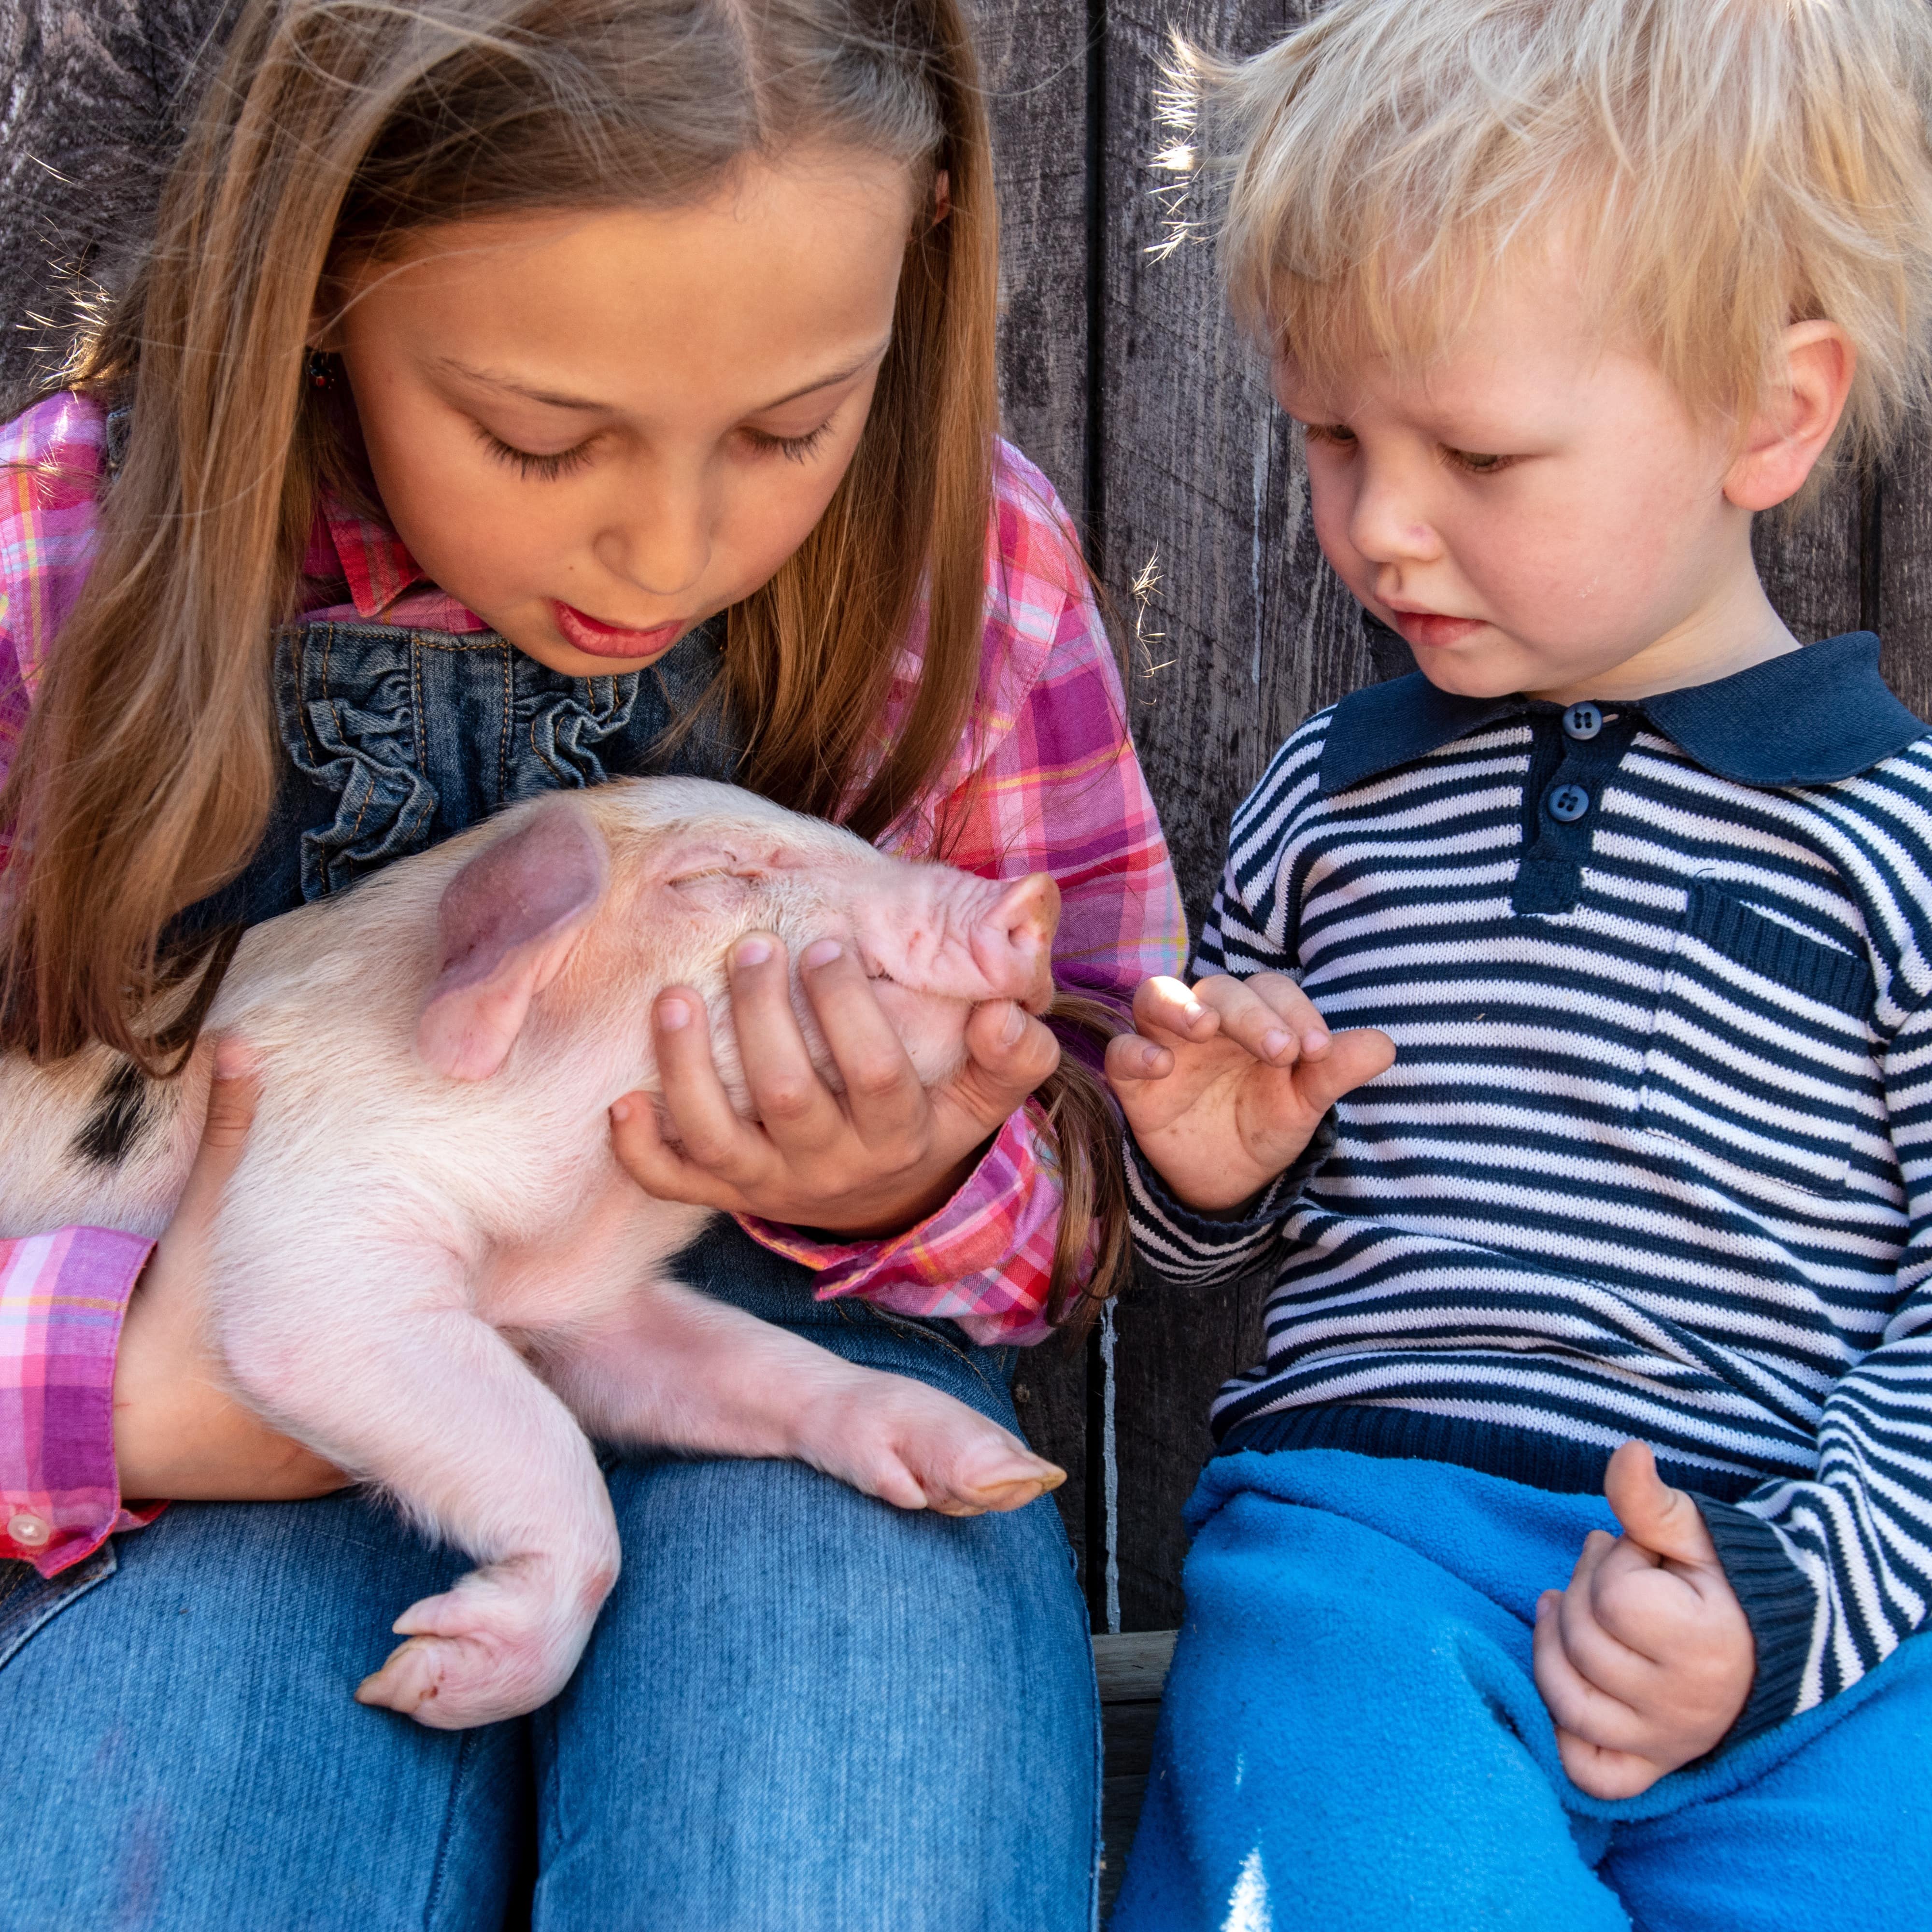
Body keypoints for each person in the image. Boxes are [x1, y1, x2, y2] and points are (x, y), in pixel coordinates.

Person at [0, 1, 1185, 1925]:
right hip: (212, 1381)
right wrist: (110, 1397)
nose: (669, 540)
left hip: (792, 1343)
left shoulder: (977, 576)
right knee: (159, 1861)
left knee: (828, 1868)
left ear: (925, 235)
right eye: (542, 438)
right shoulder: (57, 555)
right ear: (325, 272)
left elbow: (1105, 1138)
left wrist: (898, 1166)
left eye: (794, 424)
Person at [1104, 1, 1932, 1926]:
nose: (1379, 525)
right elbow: (1204, 1256)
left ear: (1768, 414)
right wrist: (1205, 1169)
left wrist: (1787, 1594)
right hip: (1368, 1555)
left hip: (1801, 1604)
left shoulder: (1895, 840)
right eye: (1330, 437)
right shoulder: (1331, 799)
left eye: (1477, 451)